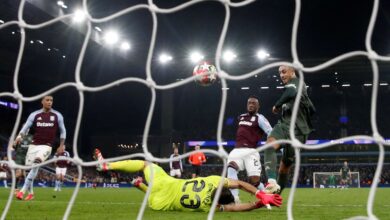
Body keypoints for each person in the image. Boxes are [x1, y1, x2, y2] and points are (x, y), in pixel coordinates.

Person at [94, 148, 282, 212]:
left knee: (145, 164)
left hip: (166, 182)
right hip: (161, 203)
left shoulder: (212, 180)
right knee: (152, 196)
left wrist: (259, 194)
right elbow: (237, 208)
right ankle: (140, 186)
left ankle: (107, 166)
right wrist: (257, 204)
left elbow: (240, 183)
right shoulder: (209, 207)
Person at [263, 65, 315, 194]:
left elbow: (291, 92)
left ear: (292, 72)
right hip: (292, 129)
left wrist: (277, 105)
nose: (281, 75)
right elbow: (313, 110)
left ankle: (274, 190)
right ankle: (274, 187)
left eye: (284, 71)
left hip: (294, 129)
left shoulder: (296, 82)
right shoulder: (299, 87)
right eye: (280, 73)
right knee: (276, 156)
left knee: (278, 158)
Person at [13, 95, 66, 201]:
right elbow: (25, 127)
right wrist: (18, 137)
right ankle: (31, 193)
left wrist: (61, 145)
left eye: (51, 100)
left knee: (37, 163)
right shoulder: (34, 115)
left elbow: (63, 131)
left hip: (46, 146)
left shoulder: (57, 115)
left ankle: (21, 192)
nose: (50, 102)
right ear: (42, 101)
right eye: (47, 100)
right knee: (29, 171)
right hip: (33, 146)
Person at [227, 95, 275, 203]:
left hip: (251, 151)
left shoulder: (260, 118)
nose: (251, 105)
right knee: (231, 168)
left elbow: (270, 132)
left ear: (258, 106)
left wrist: (277, 146)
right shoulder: (241, 117)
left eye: (253, 103)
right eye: (249, 103)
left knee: (255, 182)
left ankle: (268, 196)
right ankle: (235, 199)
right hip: (237, 150)